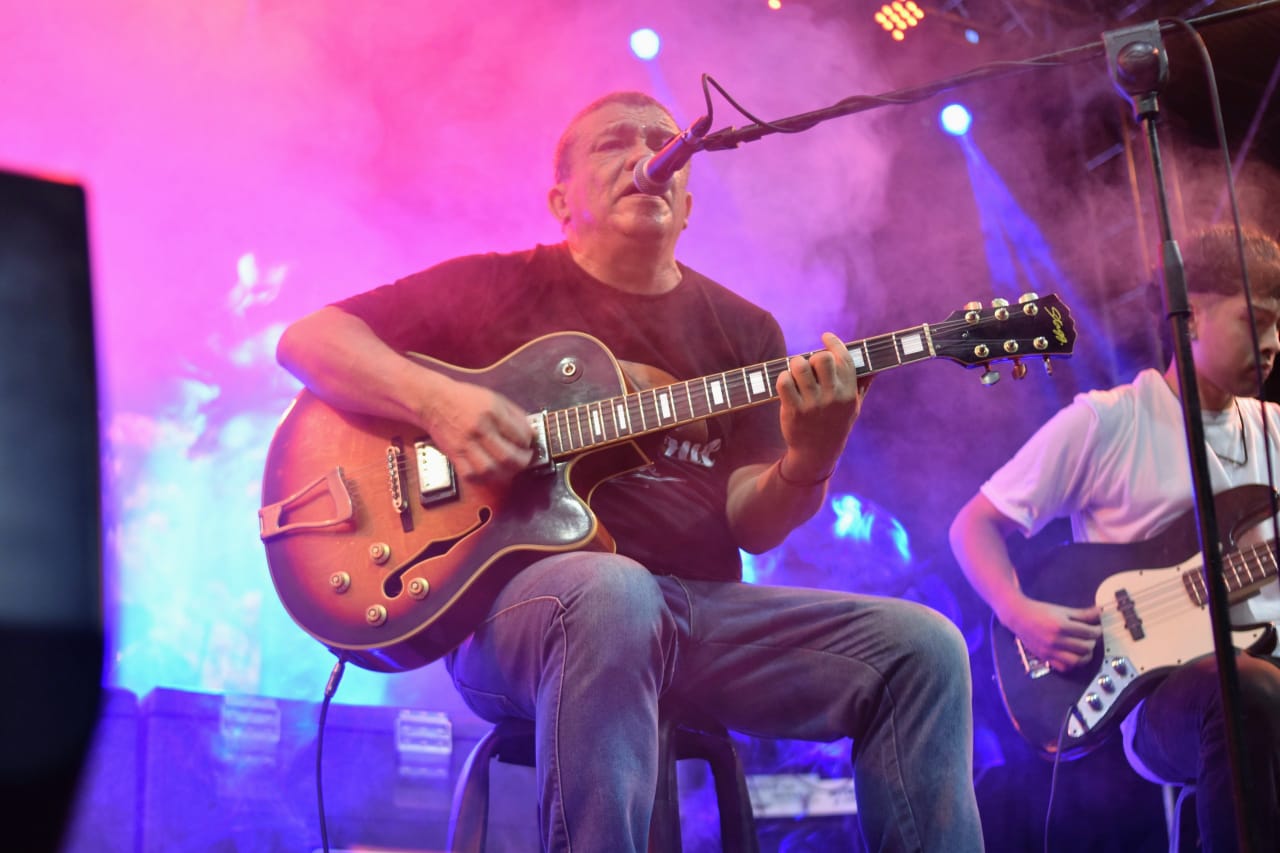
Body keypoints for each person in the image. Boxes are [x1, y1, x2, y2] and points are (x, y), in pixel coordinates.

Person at [277, 90, 983, 852]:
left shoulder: (744, 329)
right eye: (617, 142)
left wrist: (810, 459)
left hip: (699, 616)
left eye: (665, 140)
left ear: (687, 207)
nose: (650, 154)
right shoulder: (497, 285)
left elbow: (749, 516)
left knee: (924, 649)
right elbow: (310, 340)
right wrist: (441, 404)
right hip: (517, 625)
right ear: (560, 199)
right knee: (615, 590)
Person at [949, 226, 1280, 852]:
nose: (1273, 344)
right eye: (1256, 320)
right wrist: (1019, 612)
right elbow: (973, 526)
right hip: (1161, 700)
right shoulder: (1109, 421)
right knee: (1249, 691)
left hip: (1269, 661)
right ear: (1193, 314)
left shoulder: (1274, 431)